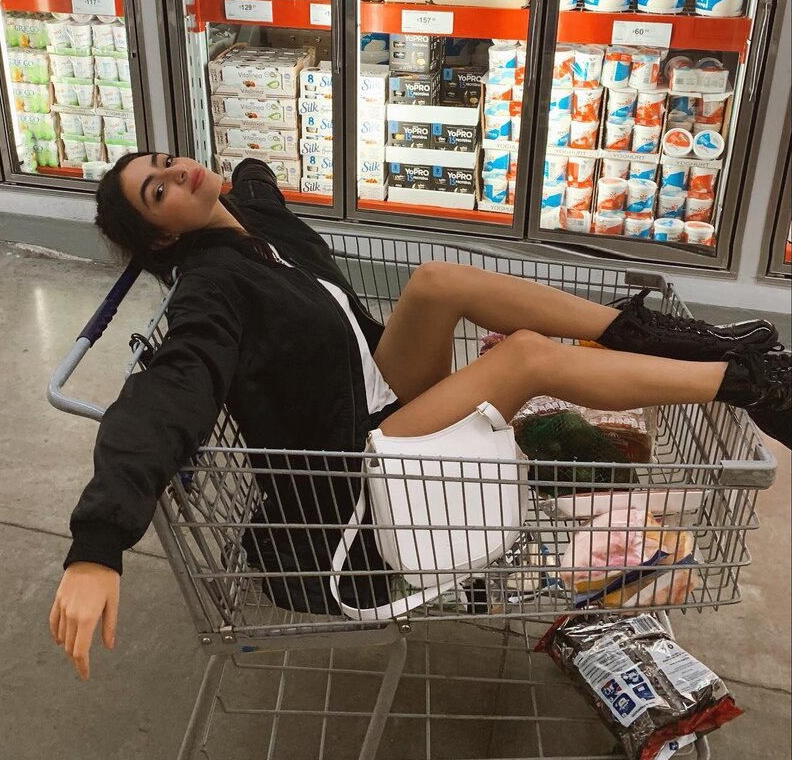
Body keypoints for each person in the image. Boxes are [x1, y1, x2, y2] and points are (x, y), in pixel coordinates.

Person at [49, 153, 790, 679]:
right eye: (158, 191)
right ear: (162, 237)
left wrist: (250, 173)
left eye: (168, 162)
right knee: (524, 358)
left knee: (435, 281)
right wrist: (97, 546)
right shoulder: (211, 291)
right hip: (353, 504)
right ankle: (752, 382)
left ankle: (686, 341)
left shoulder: (251, 224)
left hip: (378, 406)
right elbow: (163, 398)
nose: (179, 173)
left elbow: (253, 179)